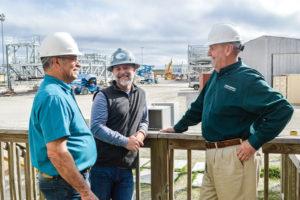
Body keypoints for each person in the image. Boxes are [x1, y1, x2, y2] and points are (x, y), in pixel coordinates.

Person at [161, 23, 294, 200]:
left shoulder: (246, 78)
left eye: (212, 48)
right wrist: (178, 127)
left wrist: (254, 142)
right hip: (212, 156)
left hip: (235, 157)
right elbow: (199, 107)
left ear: (228, 49)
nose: (209, 53)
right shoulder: (217, 74)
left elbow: (283, 109)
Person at [29, 32, 98, 200]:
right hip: (65, 185)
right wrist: (85, 192)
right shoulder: (54, 97)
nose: (79, 64)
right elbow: (57, 153)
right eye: (73, 58)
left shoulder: (59, 90)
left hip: (67, 181)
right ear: (57, 61)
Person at [90, 48, 149, 200]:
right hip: (102, 167)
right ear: (113, 72)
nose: (122, 71)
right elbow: (96, 127)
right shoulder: (103, 96)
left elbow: (144, 120)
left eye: (126, 67)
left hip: (126, 167)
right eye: (118, 68)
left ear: (134, 69)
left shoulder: (141, 94)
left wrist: (141, 133)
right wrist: (125, 142)